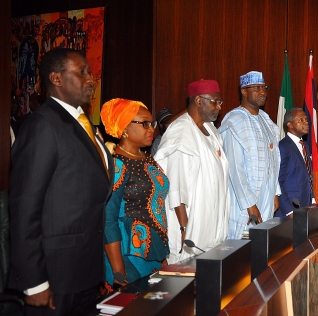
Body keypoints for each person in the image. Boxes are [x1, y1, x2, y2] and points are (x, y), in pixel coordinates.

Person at [9, 48, 113, 315]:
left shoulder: (81, 123)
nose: (90, 79)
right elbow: (24, 211)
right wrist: (34, 283)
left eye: (90, 72)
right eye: (82, 72)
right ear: (56, 78)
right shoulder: (42, 125)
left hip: (85, 273)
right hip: (54, 278)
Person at [155, 79, 230, 264]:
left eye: (220, 102)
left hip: (211, 220)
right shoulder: (181, 132)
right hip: (190, 224)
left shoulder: (210, 129)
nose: (219, 107)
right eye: (215, 101)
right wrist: (184, 229)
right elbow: (176, 186)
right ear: (198, 101)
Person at [100, 98, 170, 291]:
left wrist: (163, 255)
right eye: (144, 123)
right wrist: (118, 270)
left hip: (154, 251)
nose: (151, 129)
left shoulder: (148, 159)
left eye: (152, 124)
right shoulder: (116, 165)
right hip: (127, 255)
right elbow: (108, 220)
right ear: (124, 128)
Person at [219, 71, 281, 239]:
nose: (263, 92)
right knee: (241, 247)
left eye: (264, 88)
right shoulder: (234, 121)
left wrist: (275, 191)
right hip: (244, 201)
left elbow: (274, 159)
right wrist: (249, 204)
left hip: (266, 196)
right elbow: (234, 167)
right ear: (244, 91)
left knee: (261, 245)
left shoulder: (266, 120)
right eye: (257, 88)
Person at [276, 108, 315, 217]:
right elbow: (278, 181)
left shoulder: (304, 145)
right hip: (290, 209)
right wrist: (289, 210)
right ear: (290, 125)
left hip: (305, 205)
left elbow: (308, 176)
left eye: (306, 119)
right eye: (301, 120)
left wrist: (312, 199)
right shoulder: (283, 146)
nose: (306, 122)